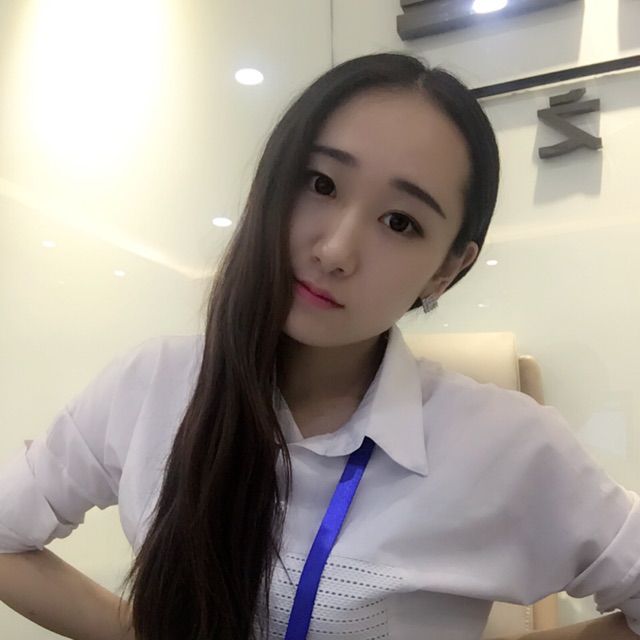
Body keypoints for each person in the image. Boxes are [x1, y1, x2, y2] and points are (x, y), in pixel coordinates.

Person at [1, 52, 639, 640]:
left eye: (400, 222)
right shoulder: (155, 383)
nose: (335, 250)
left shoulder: (504, 445)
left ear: (446, 270)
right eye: (321, 183)